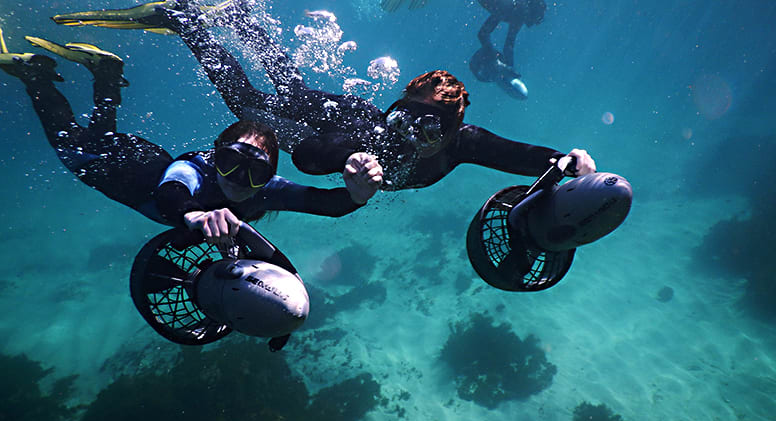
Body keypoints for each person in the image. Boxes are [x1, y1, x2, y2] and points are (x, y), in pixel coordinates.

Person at [51, 0, 595, 193]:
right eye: (406, 114)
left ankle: (235, 17)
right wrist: (352, 160)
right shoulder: (372, 135)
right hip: (337, 128)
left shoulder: (464, 142)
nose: (409, 130)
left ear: (453, 131)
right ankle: (192, 22)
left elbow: (521, 157)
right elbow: (310, 156)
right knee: (254, 106)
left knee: (283, 89)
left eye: (429, 126)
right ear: (397, 105)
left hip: (340, 124)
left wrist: (568, 162)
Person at [0, 28, 382, 246]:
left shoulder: (266, 189)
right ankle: (38, 77)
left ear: (269, 176)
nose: (238, 180)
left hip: (139, 154)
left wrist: (358, 196)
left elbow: (324, 204)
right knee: (71, 144)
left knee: (98, 135)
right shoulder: (194, 169)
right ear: (215, 156)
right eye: (231, 164)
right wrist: (195, 214)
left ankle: (105, 78)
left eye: (254, 173)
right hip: (112, 169)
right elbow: (172, 191)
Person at [469, 0, 547, 100]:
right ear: (529, 11)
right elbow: (483, 34)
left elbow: (508, 45)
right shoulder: (511, 9)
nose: (531, 24)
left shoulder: (518, 14)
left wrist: (509, 68)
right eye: (533, 18)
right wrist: (498, 61)